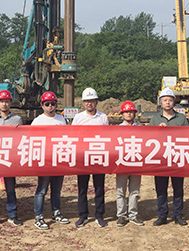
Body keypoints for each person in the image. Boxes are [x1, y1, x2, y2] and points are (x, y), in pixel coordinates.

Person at [31, 91, 69, 230]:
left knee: (56, 189)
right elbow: (31, 140)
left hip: (59, 159)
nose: (50, 106)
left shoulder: (61, 119)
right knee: (42, 190)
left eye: (52, 103)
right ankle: (39, 216)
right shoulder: (37, 121)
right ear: (42, 105)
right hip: (45, 160)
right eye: (47, 104)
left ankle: (56, 212)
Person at [72, 87, 110, 227]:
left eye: (92, 101)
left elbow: (107, 136)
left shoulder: (103, 117)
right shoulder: (78, 118)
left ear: (96, 102)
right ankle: (83, 215)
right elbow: (73, 137)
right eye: (87, 101)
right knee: (82, 188)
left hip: (98, 156)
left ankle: (99, 215)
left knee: (99, 187)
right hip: (83, 157)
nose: (89, 104)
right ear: (83, 103)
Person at [153, 87, 189, 226]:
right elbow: (149, 138)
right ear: (160, 102)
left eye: (170, 100)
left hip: (177, 157)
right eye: (165, 100)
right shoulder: (155, 119)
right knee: (161, 189)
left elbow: (188, 137)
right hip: (160, 158)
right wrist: (157, 130)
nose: (167, 103)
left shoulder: (181, 118)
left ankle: (178, 215)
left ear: (174, 102)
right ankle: (162, 215)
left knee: (178, 188)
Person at [0, 89, 23, 227]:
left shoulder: (17, 120)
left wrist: (19, 129)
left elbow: (22, 139)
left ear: (10, 103)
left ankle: (12, 215)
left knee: (10, 189)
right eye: (1, 101)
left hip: (9, 160)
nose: (4, 104)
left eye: (6, 101)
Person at [115, 101, 144, 227]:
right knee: (120, 191)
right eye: (126, 112)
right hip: (122, 163)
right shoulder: (117, 129)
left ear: (134, 113)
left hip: (136, 163)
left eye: (131, 112)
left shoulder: (140, 129)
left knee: (134, 191)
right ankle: (121, 215)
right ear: (122, 114)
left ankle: (133, 214)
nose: (128, 114)